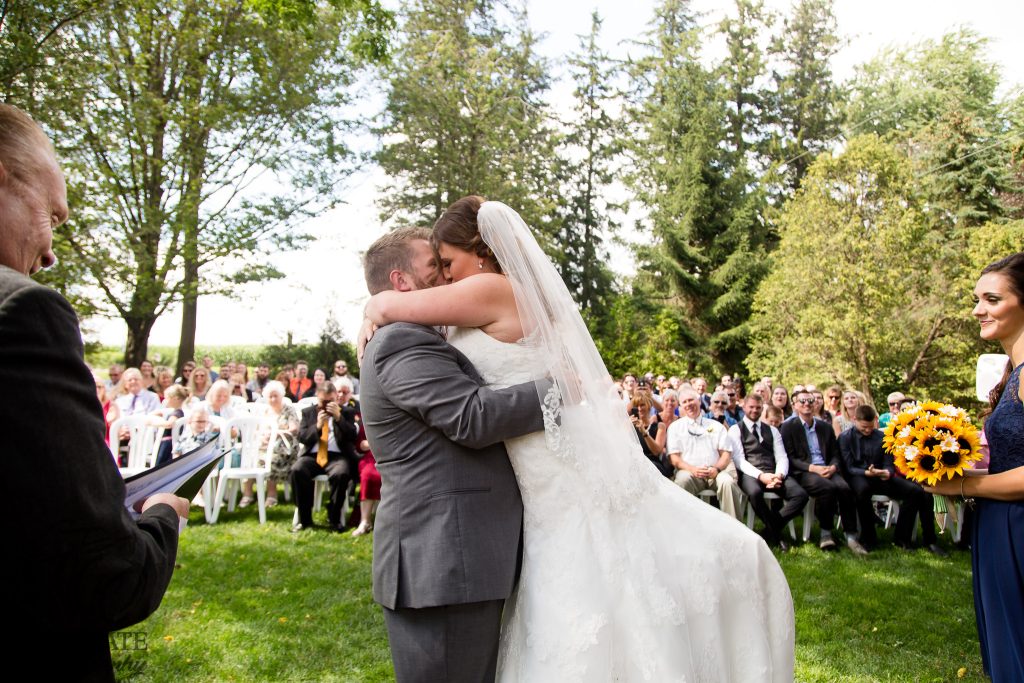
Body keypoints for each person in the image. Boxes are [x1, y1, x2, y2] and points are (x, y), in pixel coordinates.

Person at [362, 199, 794, 681]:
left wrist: (374, 307)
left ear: (481, 251)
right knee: (586, 585)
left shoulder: (486, 288)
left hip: (547, 466)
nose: (443, 277)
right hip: (535, 476)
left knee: (589, 583)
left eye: (448, 263)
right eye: (435, 268)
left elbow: (389, 303)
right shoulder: (469, 303)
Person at [0, 103, 188, 680]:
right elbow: (104, 577)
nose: (52, 248)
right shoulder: (23, 310)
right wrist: (161, 518)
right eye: (52, 216)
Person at [925, 252, 1024, 680]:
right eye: (976, 298)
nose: (977, 309)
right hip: (998, 524)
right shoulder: (1012, 373)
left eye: (991, 299)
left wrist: (965, 486)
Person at [839, 405, 945, 556]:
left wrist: (886, 472)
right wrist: (866, 473)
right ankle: (868, 538)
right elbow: (848, 467)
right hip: (858, 477)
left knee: (915, 491)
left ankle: (902, 537)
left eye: (870, 427)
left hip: (881, 476)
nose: (868, 430)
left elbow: (889, 463)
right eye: (864, 427)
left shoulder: (882, 437)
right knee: (862, 491)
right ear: (855, 420)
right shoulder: (845, 438)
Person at [780, 389, 866, 554]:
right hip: (804, 471)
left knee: (844, 488)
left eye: (810, 401)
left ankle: (851, 535)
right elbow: (790, 458)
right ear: (795, 405)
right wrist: (813, 468)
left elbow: (835, 454)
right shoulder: (788, 427)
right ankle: (826, 534)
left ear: (816, 404)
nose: (807, 404)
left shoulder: (825, 427)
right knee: (827, 488)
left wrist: (833, 467)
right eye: (802, 401)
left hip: (827, 468)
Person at [729, 393, 809, 551]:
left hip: (773, 472)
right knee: (755, 493)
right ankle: (776, 535)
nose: (754, 410)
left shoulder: (772, 430)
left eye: (758, 407)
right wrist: (761, 475)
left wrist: (779, 475)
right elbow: (739, 460)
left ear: (762, 410)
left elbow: (782, 456)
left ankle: (767, 533)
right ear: (744, 407)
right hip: (750, 474)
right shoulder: (735, 429)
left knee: (801, 495)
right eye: (751, 407)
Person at [666, 386, 744, 521]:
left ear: (699, 401)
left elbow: (726, 454)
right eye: (684, 402)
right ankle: (684, 528)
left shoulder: (716, 426)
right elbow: (674, 459)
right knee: (682, 481)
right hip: (690, 472)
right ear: (681, 406)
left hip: (715, 472)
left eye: (691, 400)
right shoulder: (675, 427)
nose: (688, 404)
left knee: (728, 482)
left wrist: (716, 469)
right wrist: (693, 469)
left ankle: (735, 531)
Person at [291, 381, 359, 531]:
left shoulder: (346, 412)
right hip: (313, 455)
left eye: (331, 401)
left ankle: (334, 517)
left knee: (341, 473)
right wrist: (317, 426)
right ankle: (305, 518)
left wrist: (338, 418)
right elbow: (302, 437)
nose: (327, 405)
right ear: (317, 397)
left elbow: (352, 436)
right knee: (297, 470)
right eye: (324, 401)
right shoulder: (308, 413)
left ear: (336, 397)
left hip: (336, 455)